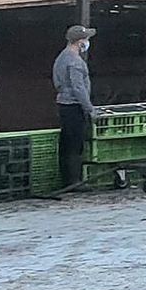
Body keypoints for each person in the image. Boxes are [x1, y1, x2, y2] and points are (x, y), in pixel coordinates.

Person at [54, 25, 97, 189]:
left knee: (66, 143)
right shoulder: (74, 62)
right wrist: (89, 108)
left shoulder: (61, 58)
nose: (87, 42)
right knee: (75, 144)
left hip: (63, 104)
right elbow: (78, 88)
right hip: (74, 106)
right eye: (86, 39)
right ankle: (75, 182)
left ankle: (67, 180)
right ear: (80, 42)